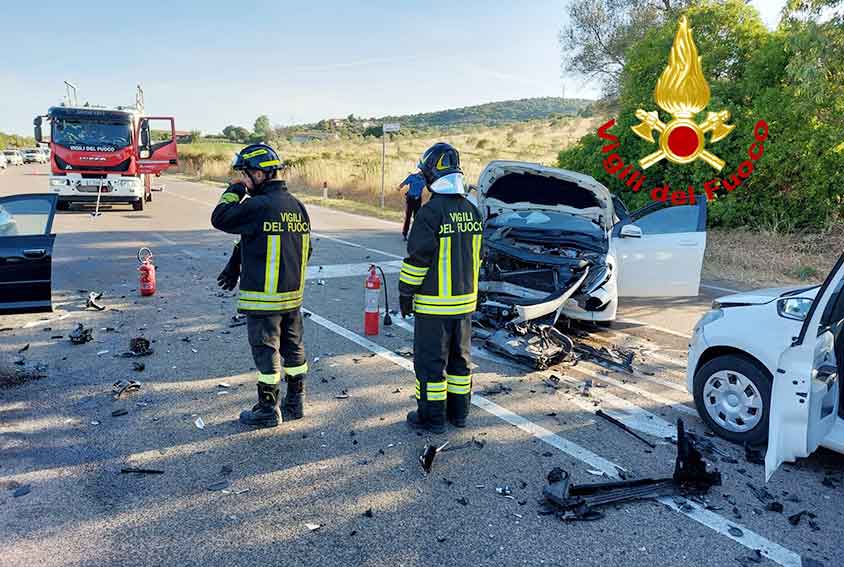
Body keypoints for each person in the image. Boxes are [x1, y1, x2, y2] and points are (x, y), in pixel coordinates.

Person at [211, 143, 312, 428]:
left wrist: (234, 190)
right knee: (294, 351)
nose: (243, 179)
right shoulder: (297, 206)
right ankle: (296, 402)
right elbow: (298, 247)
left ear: (259, 173)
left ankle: (268, 410)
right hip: (292, 298)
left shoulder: (257, 205)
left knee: (266, 353)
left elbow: (219, 217)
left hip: (263, 300)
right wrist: (235, 264)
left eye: (244, 174)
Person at [398, 143, 483, 433]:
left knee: (430, 365)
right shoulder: (472, 212)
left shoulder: (429, 213)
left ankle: (432, 418)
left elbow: (417, 261)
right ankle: (459, 414)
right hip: (465, 306)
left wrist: (405, 293)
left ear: (433, 175)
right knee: (460, 363)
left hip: (434, 306)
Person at [397, 170, 426, 241]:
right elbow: (404, 183)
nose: (421, 174)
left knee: (416, 218)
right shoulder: (412, 177)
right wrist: (400, 187)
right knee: (408, 217)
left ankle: (415, 235)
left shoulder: (425, 180)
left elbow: (431, 186)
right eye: (421, 172)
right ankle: (405, 234)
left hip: (418, 200)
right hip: (410, 199)